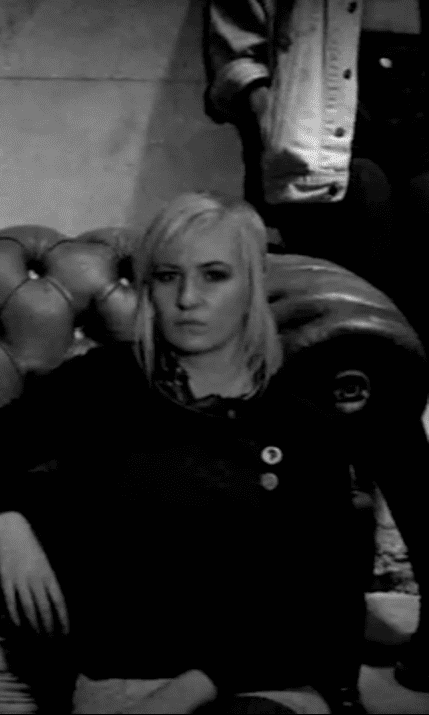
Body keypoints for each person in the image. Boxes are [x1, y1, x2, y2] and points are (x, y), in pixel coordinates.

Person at [0, 192, 376, 714]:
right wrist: (7, 521)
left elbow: (319, 606)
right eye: (168, 277)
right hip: (126, 677)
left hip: (264, 678)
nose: (187, 298)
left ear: (254, 285)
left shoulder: (302, 423)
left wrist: (186, 693)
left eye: (214, 276)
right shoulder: (101, 384)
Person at [207, 0, 429, 694]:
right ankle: (320, 628)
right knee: (350, 387)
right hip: (329, 132)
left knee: (401, 389)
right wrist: (268, 112)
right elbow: (234, 50)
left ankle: (335, 625)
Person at [204, 0, 428, 339]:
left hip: (415, 97)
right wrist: (268, 112)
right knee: (362, 252)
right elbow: (236, 54)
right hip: (324, 106)